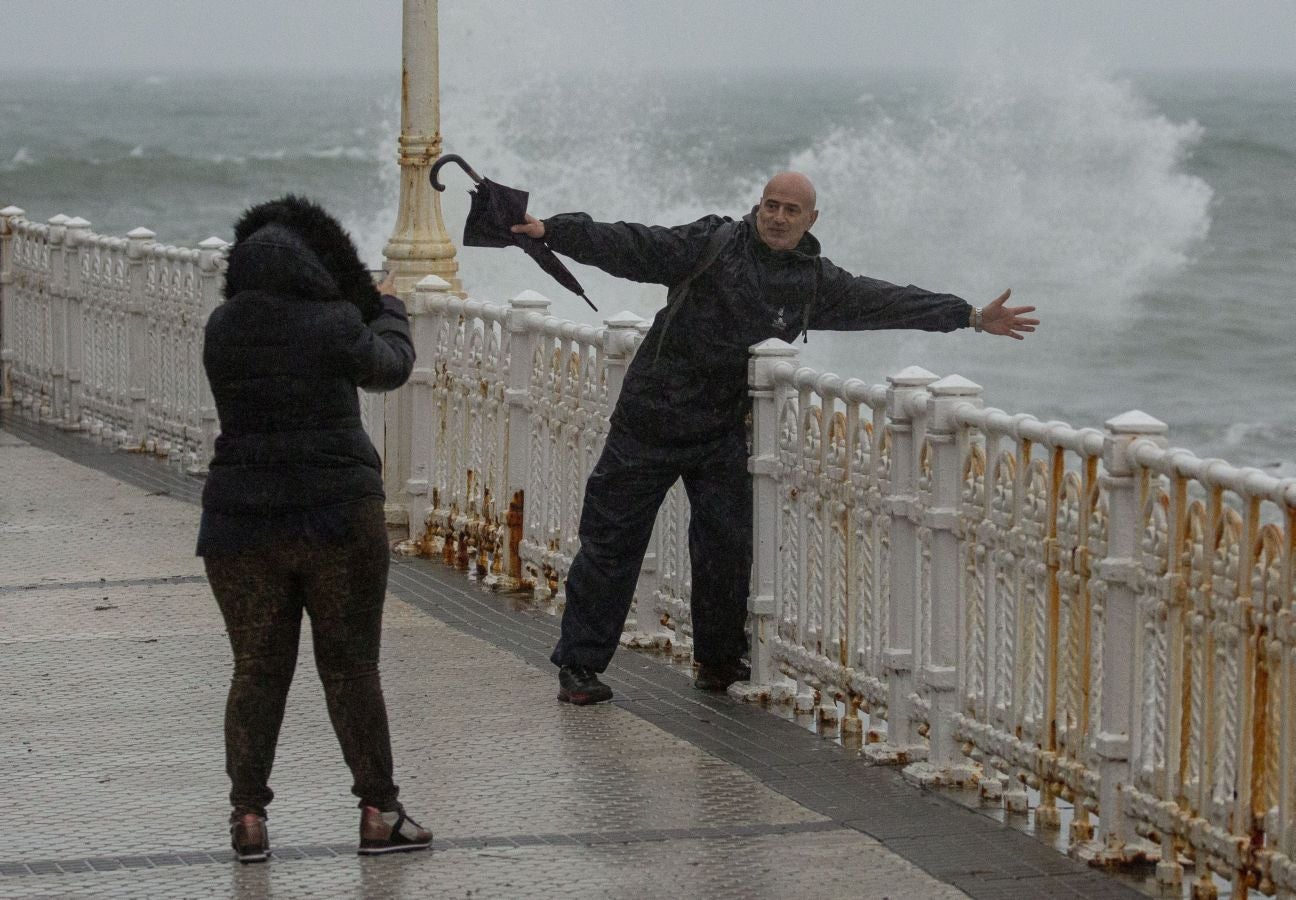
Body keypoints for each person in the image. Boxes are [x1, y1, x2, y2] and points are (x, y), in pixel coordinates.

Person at [511, 172, 1038, 705]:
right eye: (771, 206)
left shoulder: (812, 281)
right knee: (611, 543)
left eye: (791, 210)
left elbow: (884, 301)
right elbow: (632, 244)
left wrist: (968, 316)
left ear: (811, 220)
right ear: (757, 207)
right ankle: (579, 665)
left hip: (720, 428)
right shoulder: (712, 244)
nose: (779, 218)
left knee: (727, 548)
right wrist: (552, 230)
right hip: (651, 417)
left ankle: (717, 661)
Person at [198, 195, 432, 862]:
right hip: (337, 518)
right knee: (351, 668)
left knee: (256, 671)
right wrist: (387, 306)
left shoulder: (222, 327)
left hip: (242, 522)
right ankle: (380, 813)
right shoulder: (334, 322)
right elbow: (389, 367)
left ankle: (247, 819)